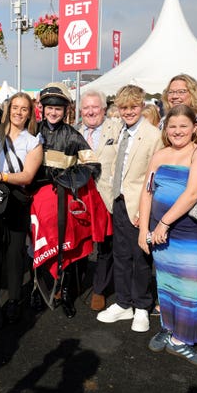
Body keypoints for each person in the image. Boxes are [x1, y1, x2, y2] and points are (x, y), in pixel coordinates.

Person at [138, 104, 197, 367]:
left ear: (194, 128)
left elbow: (193, 194)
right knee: (167, 283)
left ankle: (182, 340)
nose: (177, 131)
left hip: (184, 230)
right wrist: (143, 230)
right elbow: (147, 191)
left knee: (187, 285)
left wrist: (164, 224)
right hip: (158, 231)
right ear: (165, 129)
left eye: (184, 126)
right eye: (172, 126)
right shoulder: (159, 155)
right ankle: (169, 327)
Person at [31, 82, 105, 318]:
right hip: (37, 201)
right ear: (42, 109)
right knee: (36, 246)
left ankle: (66, 292)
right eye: (50, 108)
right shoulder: (33, 132)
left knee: (66, 249)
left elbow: (92, 165)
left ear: (66, 111)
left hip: (63, 201)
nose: (53, 112)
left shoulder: (73, 136)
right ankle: (38, 289)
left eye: (58, 109)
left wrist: (69, 177)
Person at [96, 84, 163, 333]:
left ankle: (142, 306)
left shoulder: (153, 135)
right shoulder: (120, 131)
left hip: (140, 204)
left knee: (141, 257)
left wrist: (144, 209)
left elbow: (155, 176)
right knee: (120, 255)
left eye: (133, 107)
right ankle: (124, 303)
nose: (129, 111)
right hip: (119, 201)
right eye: (124, 107)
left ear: (142, 105)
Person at [0, 92, 42, 329]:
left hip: (17, 199)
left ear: (29, 113)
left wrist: (2, 175)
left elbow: (27, 176)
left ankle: (14, 300)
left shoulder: (33, 142)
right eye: (14, 107)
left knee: (15, 253)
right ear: (7, 110)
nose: (18, 112)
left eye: (23, 109)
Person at [77, 89, 121, 311]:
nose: (91, 111)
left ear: (104, 109)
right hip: (81, 197)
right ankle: (74, 284)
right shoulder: (75, 132)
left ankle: (99, 290)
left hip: (106, 196)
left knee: (105, 246)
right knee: (79, 243)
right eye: (86, 108)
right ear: (80, 110)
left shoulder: (118, 128)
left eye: (95, 107)